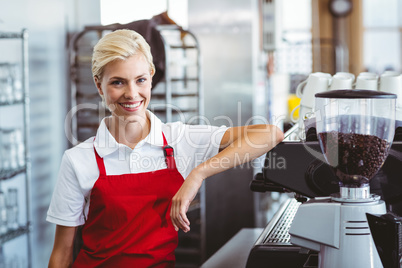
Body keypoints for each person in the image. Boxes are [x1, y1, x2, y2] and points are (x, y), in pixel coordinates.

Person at [47, 29, 284, 267]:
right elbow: (62, 254)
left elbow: (270, 134)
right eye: (118, 82)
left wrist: (198, 174)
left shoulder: (179, 139)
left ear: (151, 77)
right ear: (99, 86)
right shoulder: (79, 159)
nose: (132, 94)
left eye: (140, 80)